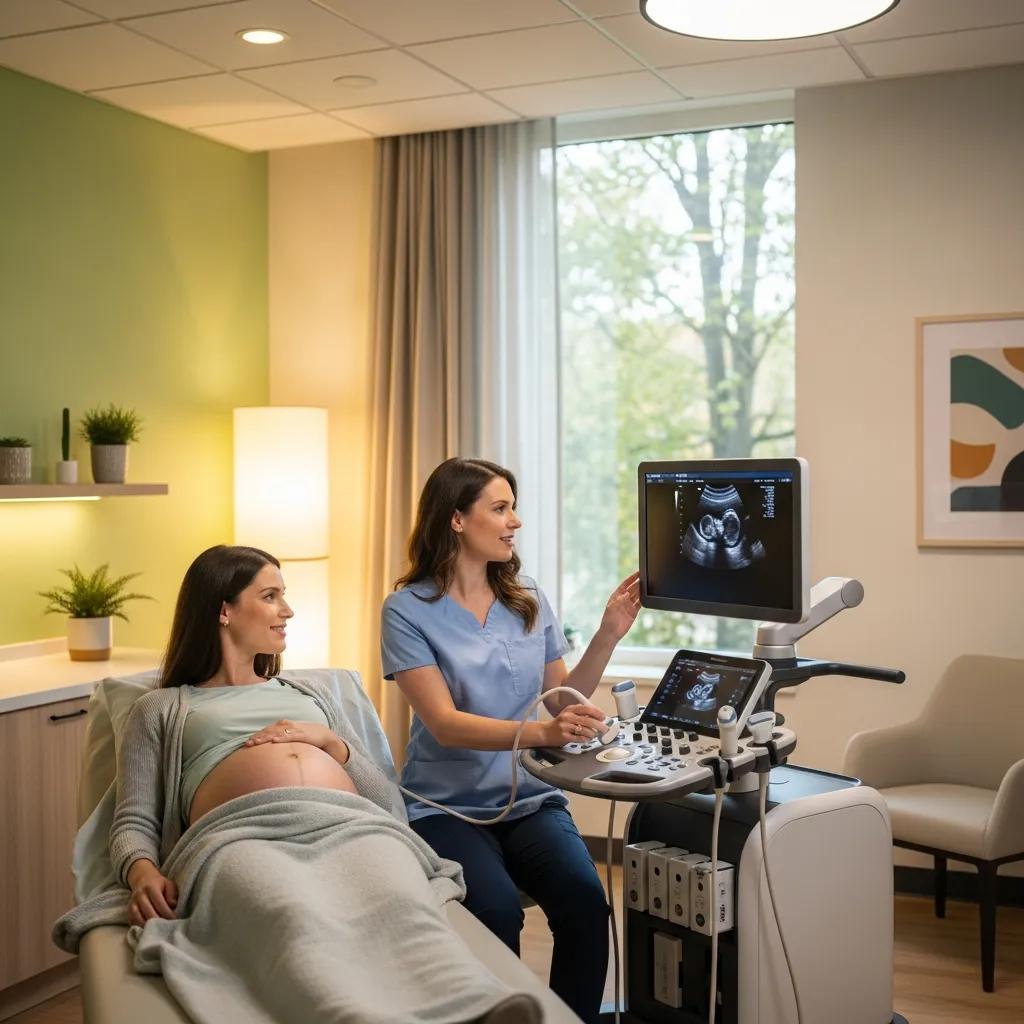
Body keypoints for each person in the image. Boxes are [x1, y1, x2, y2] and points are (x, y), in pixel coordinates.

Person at [105, 544, 541, 1024]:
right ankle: (350, 1016)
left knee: (403, 904)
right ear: (224, 610)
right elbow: (133, 818)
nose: (287, 610)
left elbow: (388, 806)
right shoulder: (163, 708)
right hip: (242, 838)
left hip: (350, 829)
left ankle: (477, 1005)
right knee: (290, 913)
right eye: (270, 596)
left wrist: (333, 745)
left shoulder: (310, 695)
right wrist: (141, 871)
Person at [381, 457, 641, 1024]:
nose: (514, 521)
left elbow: (561, 697)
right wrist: (543, 732)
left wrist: (608, 633)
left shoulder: (525, 595)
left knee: (584, 903)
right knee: (496, 912)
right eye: (500, 508)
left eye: (512, 507)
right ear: (455, 519)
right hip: (446, 807)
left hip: (530, 799)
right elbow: (446, 724)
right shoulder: (406, 611)